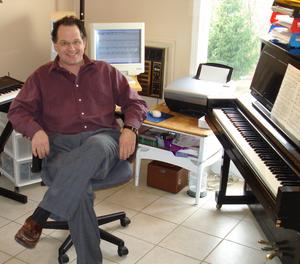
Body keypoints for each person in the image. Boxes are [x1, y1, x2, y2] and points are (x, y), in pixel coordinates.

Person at [8, 16, 147, 264]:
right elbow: (17, 111)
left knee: (95, 146)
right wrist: (36, 131)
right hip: (61, 147)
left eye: (76, 41)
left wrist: (130, 128)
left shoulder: (106, 71)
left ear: (84, 41)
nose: (71, 48)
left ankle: (41, 214)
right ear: (55, 45)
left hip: (103, 141)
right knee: (79, 191)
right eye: (64, 43)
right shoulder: (40, 77)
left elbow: (135, 103)